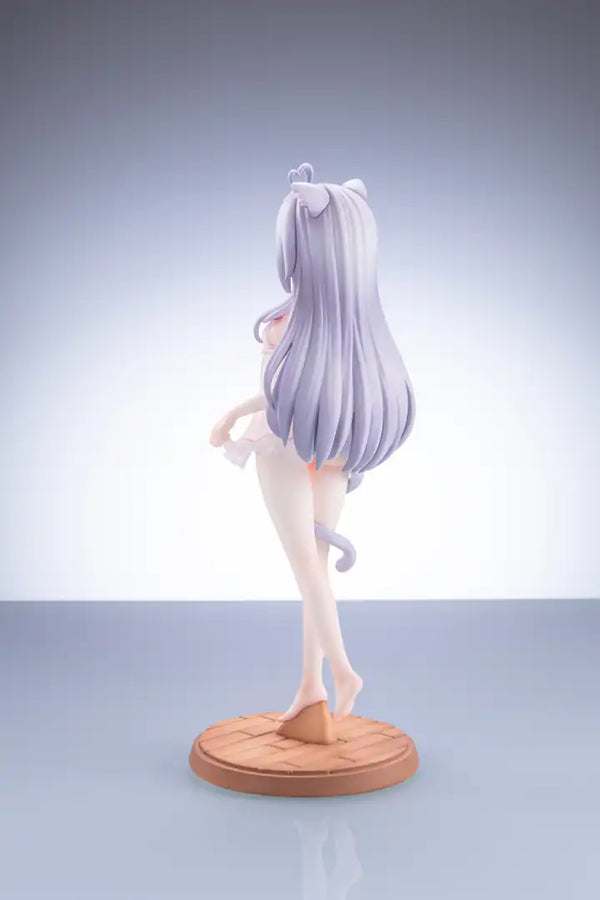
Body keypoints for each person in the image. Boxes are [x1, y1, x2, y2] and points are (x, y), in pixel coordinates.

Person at [209, 162, 415, 721]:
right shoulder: (362, 331)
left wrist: (232, 415)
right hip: (334, 449)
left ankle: (343, 672)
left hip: (284, 446)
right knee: (316, 571)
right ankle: (310, 687)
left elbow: (279, 397)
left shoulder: (286, 327)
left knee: (307, 569)